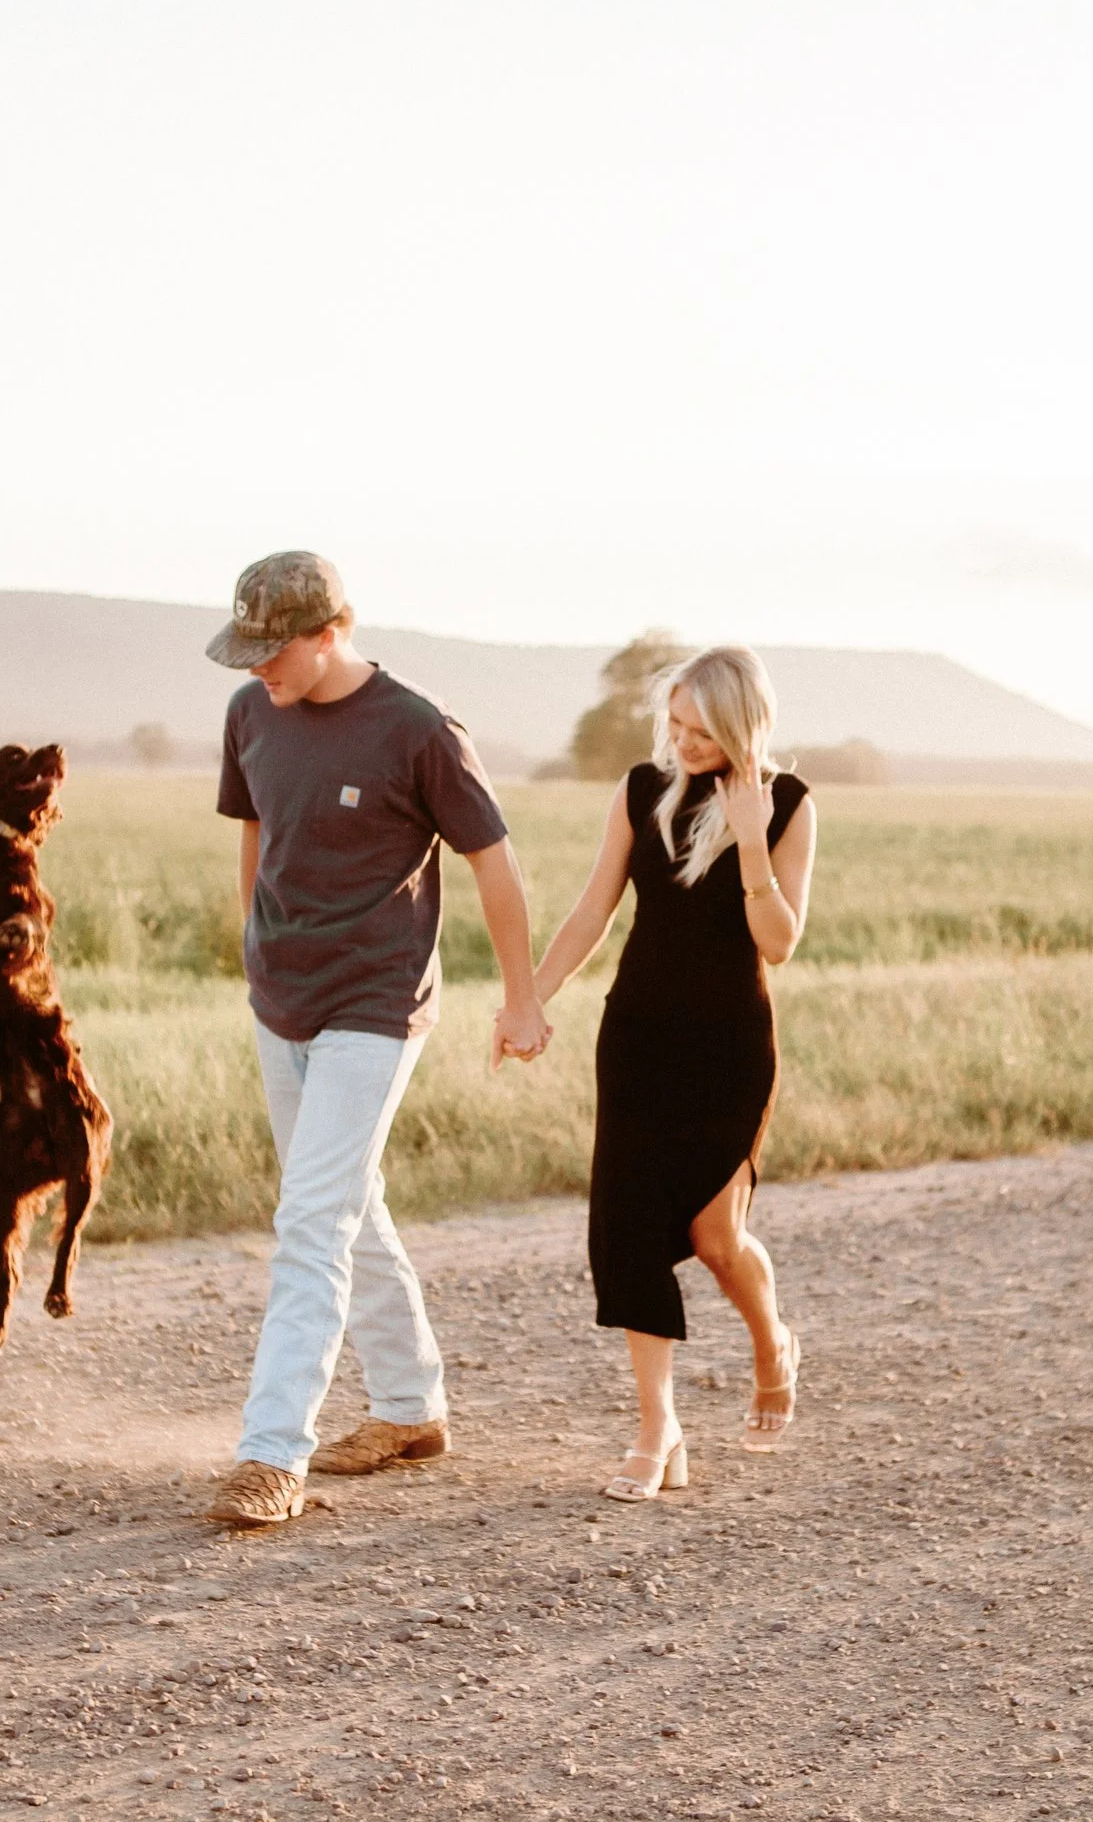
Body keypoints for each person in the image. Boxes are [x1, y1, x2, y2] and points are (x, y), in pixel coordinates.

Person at [199, 552, 549, 1529]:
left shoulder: (418, 730)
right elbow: (254, 834)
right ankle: (410, 1407)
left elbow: (494, 863)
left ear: (331, 632)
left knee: (311, 1219)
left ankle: (273, 1454)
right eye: (247, 651)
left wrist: (521, 1000)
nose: (257, 667)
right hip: (282, 998)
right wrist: (254, 947)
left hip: (376, 1002)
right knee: (347, 1202)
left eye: (274, 650)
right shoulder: (249, 714)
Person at [529, 646, 817, 1502]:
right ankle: (660, 1427)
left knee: (716, 1238)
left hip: (730, 1051)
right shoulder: (640, 790)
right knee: (629, 1232)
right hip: (637, 1040)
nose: (683, 742)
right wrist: (529, 998)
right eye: (676, 723)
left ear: (743, 727)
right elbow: (594, 907)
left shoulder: (790, 804)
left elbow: (779, 942)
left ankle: (772, 1341)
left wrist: (752, 838)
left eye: (702, 730)